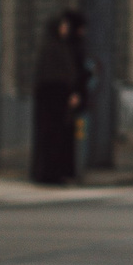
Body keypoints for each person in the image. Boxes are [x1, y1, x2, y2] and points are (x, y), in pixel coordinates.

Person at [30, 10, 87, 184]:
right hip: (52, 100)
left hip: (60, 99)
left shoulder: (63, 46)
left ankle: (56, 173)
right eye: (62, 26)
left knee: (59, 137)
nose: (65, 29)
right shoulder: (51, 48)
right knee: (51, 137)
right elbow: (51, 76)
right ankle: (48, 174)